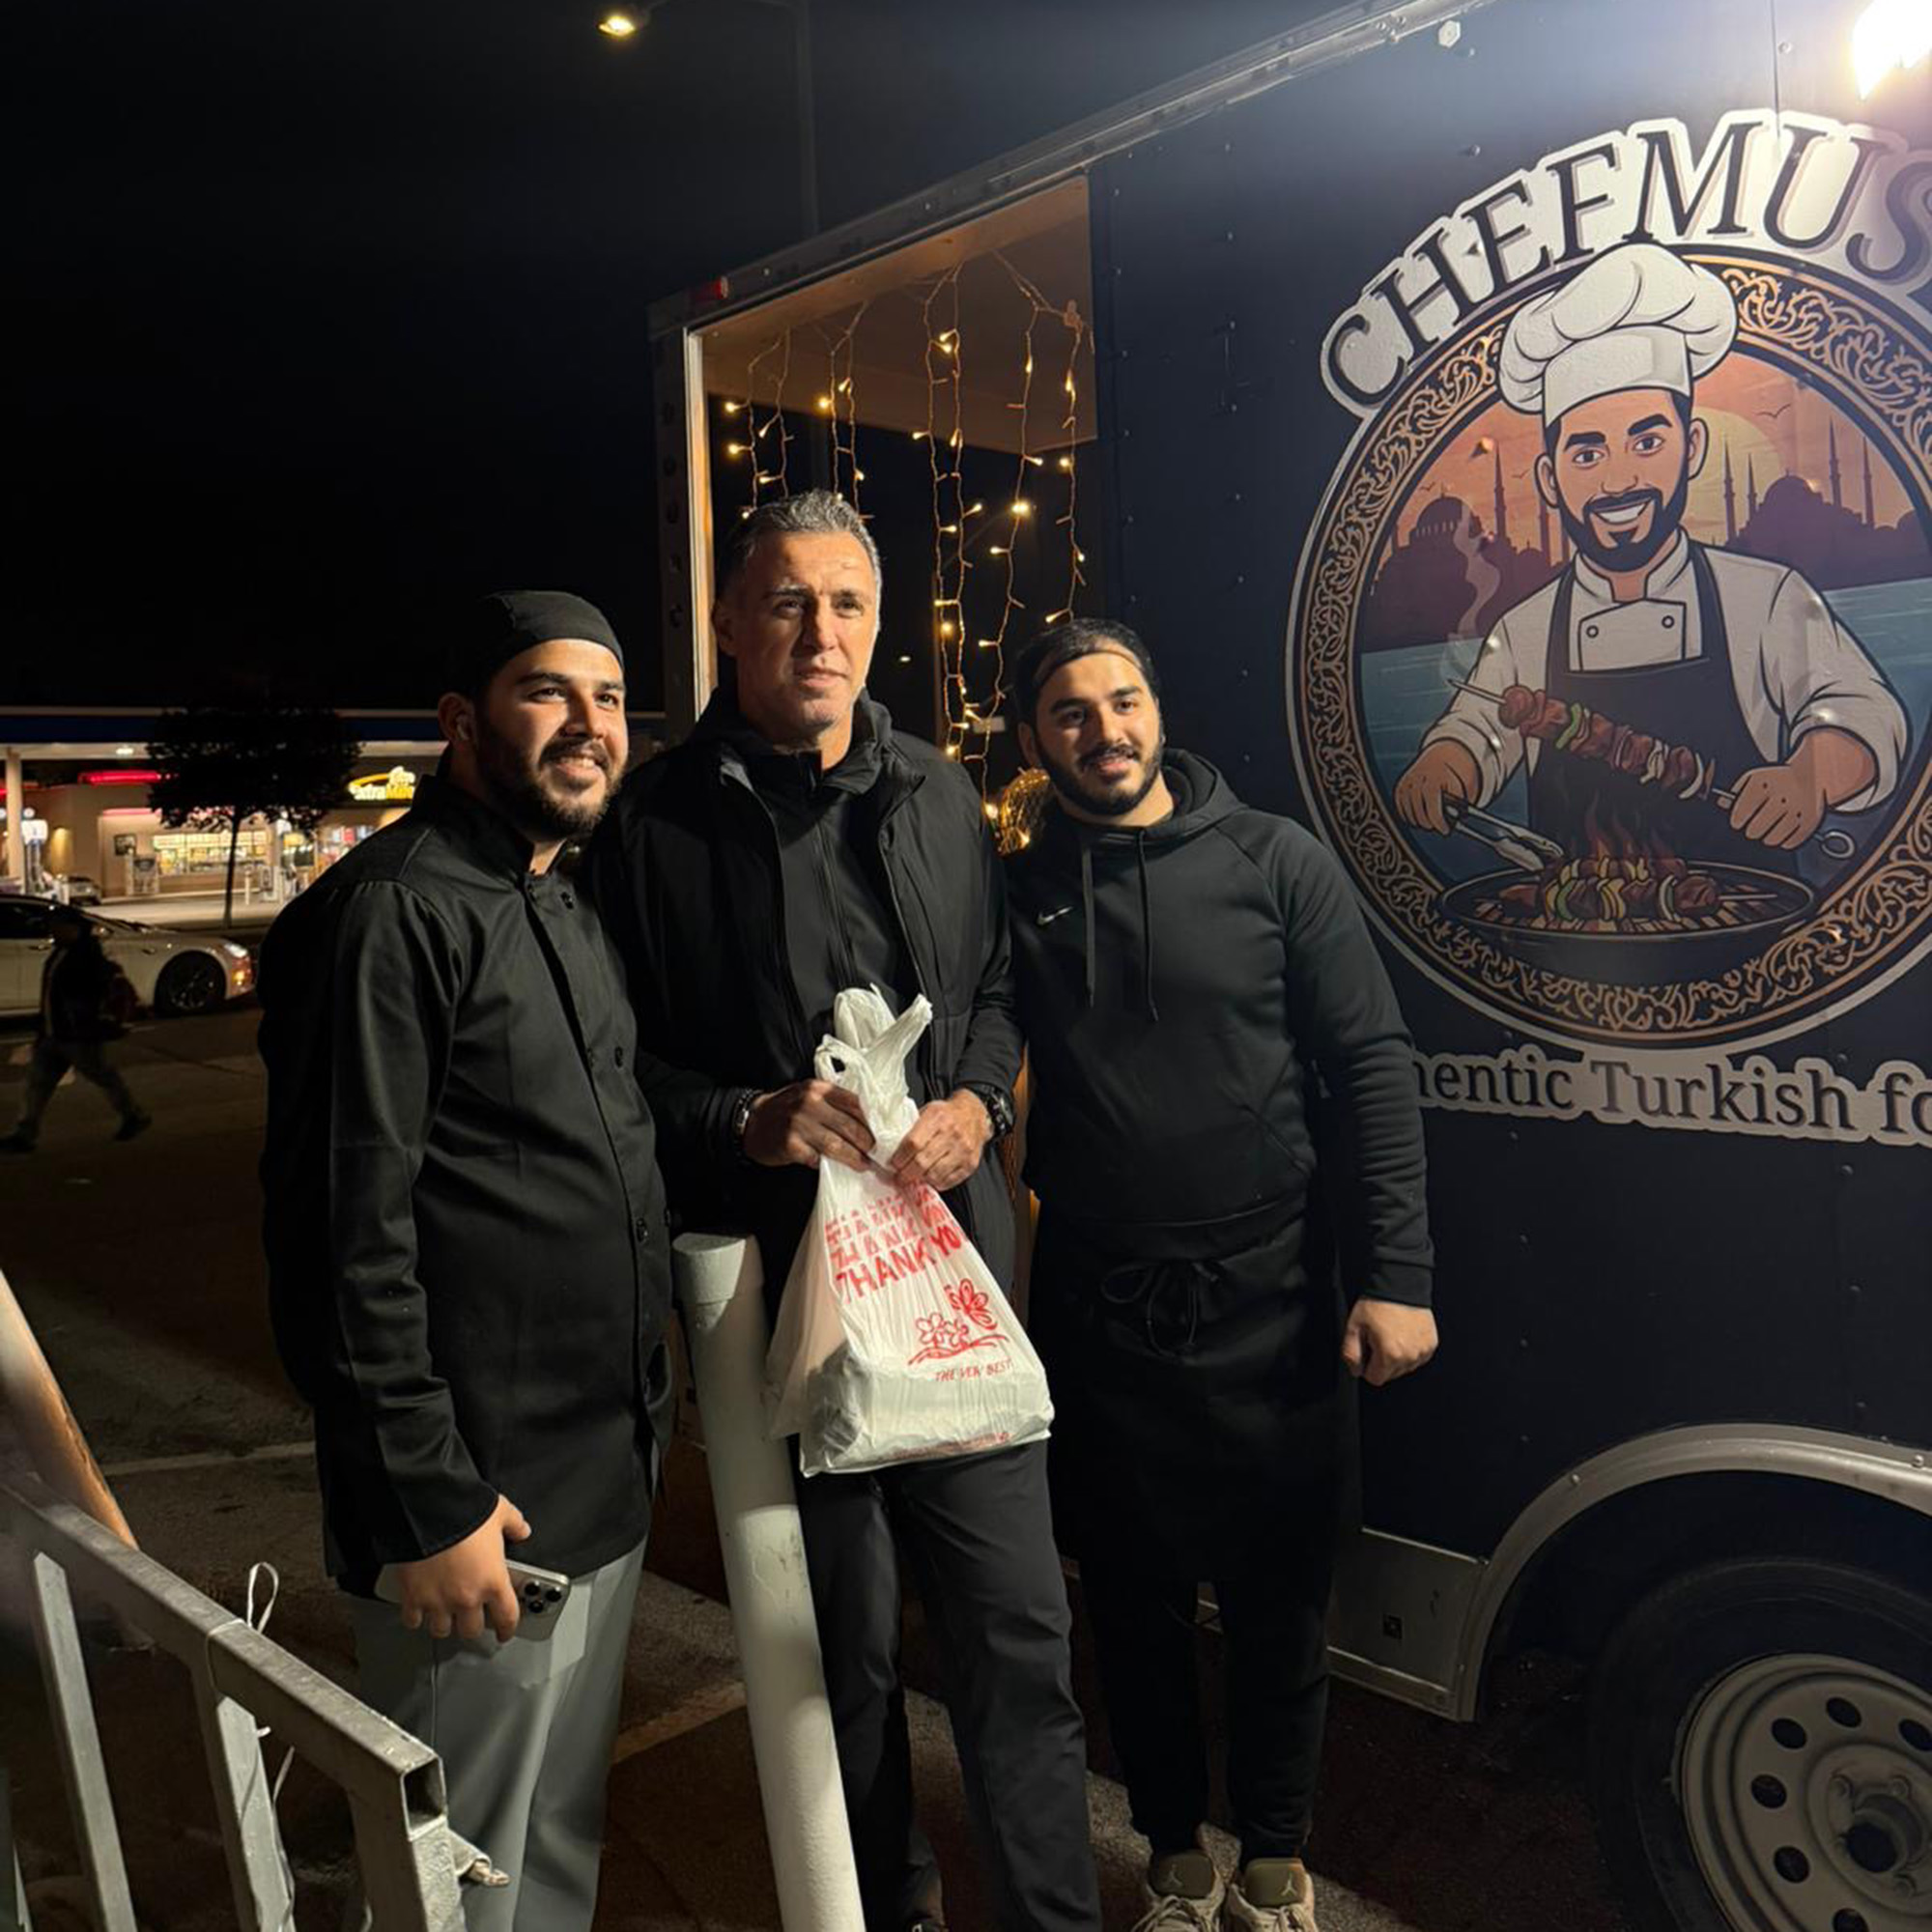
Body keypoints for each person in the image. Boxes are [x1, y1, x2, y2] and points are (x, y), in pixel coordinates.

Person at [591, 491, 1101, 1932]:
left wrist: (980, 1106)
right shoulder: (651, 823)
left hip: (950, 1288)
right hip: (786, 1294)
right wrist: (740, 1120)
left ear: (877, 624)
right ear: (728, 621)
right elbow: (618, 1060)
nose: (821, 633)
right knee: (846, 1656)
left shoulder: (938, 793)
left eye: (848, 604)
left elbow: (996, 995)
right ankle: (890, 1909)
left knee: (1018, 1640)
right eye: (787, 601)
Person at [1005, 619, 1437, 1932]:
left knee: (1277, 1610)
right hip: (1099, 1308)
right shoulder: (1019, 890)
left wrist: (1399, 1271)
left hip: (1277, 1298)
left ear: (1156, 707)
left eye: (1122, 700)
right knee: (1128, 1607)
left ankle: (1275, 1859)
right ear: (1035, 741)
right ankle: (1172, 1856)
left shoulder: (1273, 862)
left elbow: (1371, 1063)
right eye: (1070, 714)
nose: (1104, 730)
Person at [259, 591, 672, 1932]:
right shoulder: (390, 912)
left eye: (608, 701)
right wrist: (425, 1497)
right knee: (456, 1874)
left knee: (552, 1837)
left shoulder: (559, 905)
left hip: (594, 1486)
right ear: (461, 720)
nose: (589, 727)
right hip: (474, 1509)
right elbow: (339, 1233)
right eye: (549, 693)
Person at [1395, 242, 1904, 865]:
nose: (1617, 483)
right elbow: (1479, 730)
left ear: (1690, 447)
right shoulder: (1524, 630)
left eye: (1646, 441)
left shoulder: (1766, 598)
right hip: (1575, 936)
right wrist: (1444, 767)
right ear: (1550, 480)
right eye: (1587, 454)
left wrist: (1813, 774)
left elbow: (1861, 709)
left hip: (1755, 930)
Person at [1, 903, 148, 1152]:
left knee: (102, 1076)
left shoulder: (87, 957)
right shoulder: (63, 952)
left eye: (59, 925)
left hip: (78, 1035)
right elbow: (51, 995)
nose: (53, 929)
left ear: (74, 928)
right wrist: (43, 1028)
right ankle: (25, 1134)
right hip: (55, 1033)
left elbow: (91, 994)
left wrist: (86, 1020)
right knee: (38, 1084)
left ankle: (133, 1115)